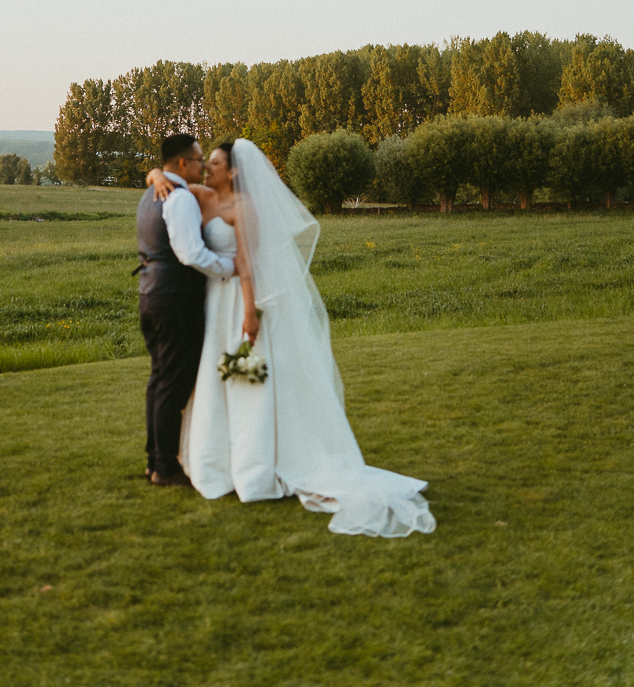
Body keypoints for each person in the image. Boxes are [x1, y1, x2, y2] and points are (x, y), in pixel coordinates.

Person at [147, 137, 436, 538]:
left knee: (247, 381)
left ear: (233, 171)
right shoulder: (199, 194)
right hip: (214, 304)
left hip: (237, 300)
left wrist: (250, 311)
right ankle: (217, 463)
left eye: (214, 163)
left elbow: (247, 265)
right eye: (204, 162)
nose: (207, 168)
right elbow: (168, 176)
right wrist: (156, 172)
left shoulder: (243, 207)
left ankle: (254, 466)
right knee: (215, 381)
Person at [136, 134, 237, 487]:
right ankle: (165, 467)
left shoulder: (152, 193)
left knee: (160, 381)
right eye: (197, 160)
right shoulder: (179, 199)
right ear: (181, 164)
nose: (202, 165)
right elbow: (190, 254)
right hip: (174, 299)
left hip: (151, 294)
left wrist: (154, 173)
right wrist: (229, 267)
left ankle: (154, 461)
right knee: (173, 386)